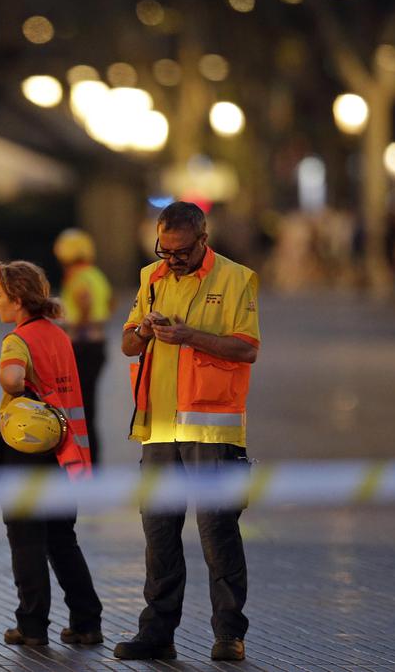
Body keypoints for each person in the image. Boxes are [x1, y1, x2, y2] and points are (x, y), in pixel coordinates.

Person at [114, 201, 260, 663]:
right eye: (165, 250)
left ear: (203, 240)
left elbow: (247, 349)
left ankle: (229, 634)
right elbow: (127, 344)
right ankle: (157, 633)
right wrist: (145, 330)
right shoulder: (151, 277)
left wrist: (189, 336)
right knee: (158, 534)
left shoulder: (236, 279)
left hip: (213, 431)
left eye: (181, 252)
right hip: (158, 428)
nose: (172, 259)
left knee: (217, 533)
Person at [0, 260, 102, 646]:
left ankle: (32, 625)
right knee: (61, 539)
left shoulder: (17, 339)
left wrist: (16, 386)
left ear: (18, 300)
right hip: (64, 452)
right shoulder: (58, 334)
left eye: (0, 296)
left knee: (26, 539)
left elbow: (12, 378)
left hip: (28, 451)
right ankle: (87, 622)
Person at [53, 228, 113, 465]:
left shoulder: (76, 277)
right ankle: (92, 460)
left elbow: (84, 303)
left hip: (83, 347)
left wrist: (74, 328)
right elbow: (110, 303)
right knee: (89, 409)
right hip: (98, 345)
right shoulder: (96, 274)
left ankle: (86, 461)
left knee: (80, 410)